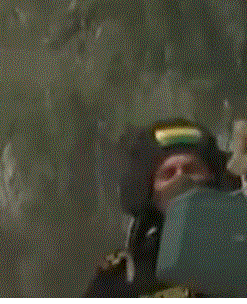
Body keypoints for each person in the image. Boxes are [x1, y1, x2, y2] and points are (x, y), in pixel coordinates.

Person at [84, 118, 238, 297]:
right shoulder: (121, 279)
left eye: (191, 169)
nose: (182, 180)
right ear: (149, 193)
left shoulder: (246, 252)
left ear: (214, 179)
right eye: (168, 173)